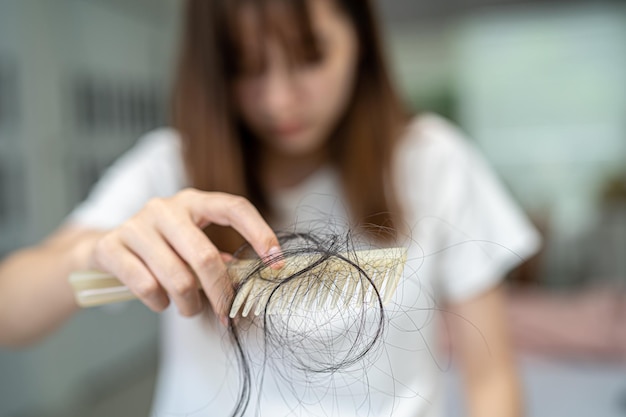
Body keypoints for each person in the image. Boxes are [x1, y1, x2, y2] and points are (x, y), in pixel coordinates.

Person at [0, 0, 540, 416]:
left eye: (310, 57)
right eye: (246, 66)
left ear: (361, 37)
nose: (279, 99)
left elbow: (492, 382)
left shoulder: (434, 161)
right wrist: (87, 257)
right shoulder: (166, 168)